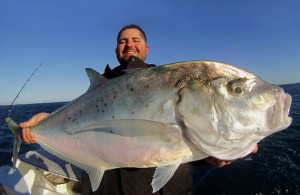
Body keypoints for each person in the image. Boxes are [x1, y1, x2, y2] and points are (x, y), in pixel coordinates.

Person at [20, 24, 258, 195]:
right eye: (123, 41)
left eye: (135, 40)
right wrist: (45, 121)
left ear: (147, 47)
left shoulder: (167, 82)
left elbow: (181, 140)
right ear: (116, 49)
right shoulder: (99, 89)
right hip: (107, 189)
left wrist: (209, 156)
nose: (129, 45)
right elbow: (75, 122)